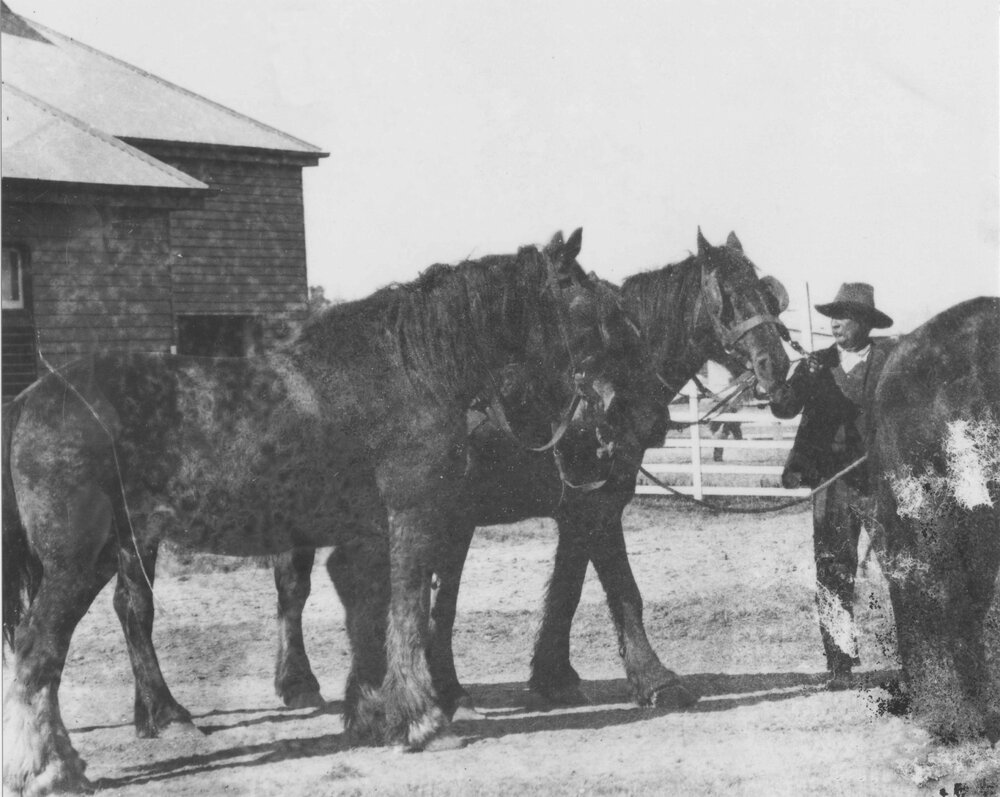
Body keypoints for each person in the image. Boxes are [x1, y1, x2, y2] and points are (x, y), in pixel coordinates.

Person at [769, 283, 895, 689]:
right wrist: (779, 381)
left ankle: (916, 655)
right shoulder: (815, 364)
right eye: (833, 316)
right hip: (832, 486)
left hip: (880, 484)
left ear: (864, 323)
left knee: (900, 567)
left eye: (844, 316)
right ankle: (839, 665)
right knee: (832, 571)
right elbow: (784, 408)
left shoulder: (892, 362)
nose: (835, 323)